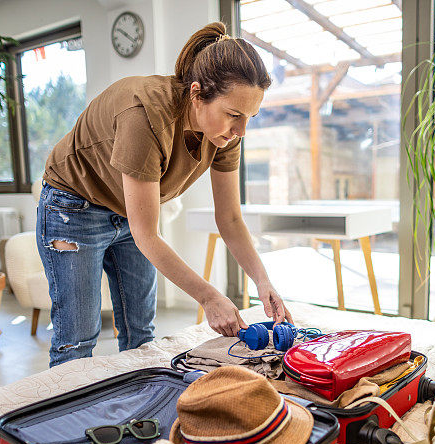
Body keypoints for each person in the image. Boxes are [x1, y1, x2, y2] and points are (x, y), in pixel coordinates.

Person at [37, 22, 292, 367]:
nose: (241, 130)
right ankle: (65, 418)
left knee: (140, 334)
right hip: (73, 207)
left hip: (127, 213)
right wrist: (209, 298)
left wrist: (264, 283)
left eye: (249, 117)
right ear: (197, 94)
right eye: (233, 115)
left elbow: (230, 218)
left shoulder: (225, 135)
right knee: (77, 340)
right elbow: (147, 235)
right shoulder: (144, 115)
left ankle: (136, 412)